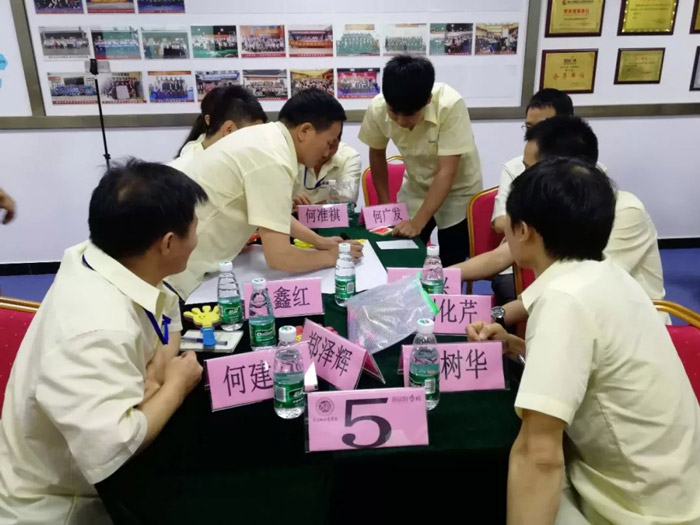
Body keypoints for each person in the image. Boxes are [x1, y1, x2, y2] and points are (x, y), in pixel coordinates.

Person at [467, 158, 700, 525]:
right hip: (679, 491)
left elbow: (539, 457)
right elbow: (600, 367)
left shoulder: (564, 298)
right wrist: (518, 346)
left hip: (643, 513)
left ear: (523, 231)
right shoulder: (611, 276)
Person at [0, 160, 207, 524]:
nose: (197, 238)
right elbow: (114, 447)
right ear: (168, 243)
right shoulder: (99, 328)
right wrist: (175, 385)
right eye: (194, 228)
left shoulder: (103, 256)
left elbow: (168, 315)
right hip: (61, 505)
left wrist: (156, 379)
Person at [452, 116, 667, 324]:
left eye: (530, 170)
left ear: (563, 170)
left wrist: (492, 316)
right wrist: (441, 275)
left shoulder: (624, 211)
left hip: (626, 325)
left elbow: (578, 284)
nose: (523, 178)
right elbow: (500, 256)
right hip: (577, 317)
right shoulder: (554, 208)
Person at [166, 89, 363, 300]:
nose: (327, 153)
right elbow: (280, 257)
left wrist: (319, 241)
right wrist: (332, 257)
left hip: (177, 258)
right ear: (305, 131)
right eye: (329, 143)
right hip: (175, 274)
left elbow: (273, 215)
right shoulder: (274, 158)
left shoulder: (268, 140)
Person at [359, 55, 482, 266]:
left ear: (427, 100)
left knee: (451, 261)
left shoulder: (450, 105)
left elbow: (447, 171)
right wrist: (385, 203)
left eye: (409, 115)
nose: (400, 121)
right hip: (416, 188)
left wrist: (418, 222)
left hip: (457, 191)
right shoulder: (377, 107)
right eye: (393, 112)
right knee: (401, 254)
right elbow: (377, 153)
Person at [171, 85, 267, 172]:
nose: (257, 143)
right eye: (252, 136)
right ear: (228, 129)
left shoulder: (244, 160)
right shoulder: (185, 171)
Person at [292, 137, 362, 207]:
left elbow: (347, 201)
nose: (326, 154)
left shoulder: (349, 157)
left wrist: (308, 209)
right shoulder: (293, 151)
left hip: (332, 214)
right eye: (321, 145)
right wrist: (290, 203)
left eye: (332, 146)